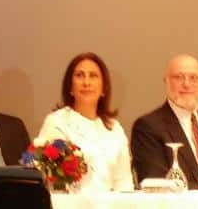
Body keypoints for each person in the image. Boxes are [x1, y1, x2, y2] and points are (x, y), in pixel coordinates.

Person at [131, 54, 198, 189]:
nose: (187, 84)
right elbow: (159, 181)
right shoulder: (148, 127)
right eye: (178, 77)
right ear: (166, 81)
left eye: (194, 78)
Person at [36, 52, 133, 192]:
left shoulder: (115, 129)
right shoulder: (57, 122)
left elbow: (124, 183)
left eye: (93, 76)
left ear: (103, 88)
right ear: (70, 87)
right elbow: (51, 181)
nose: (86, 83)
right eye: (79, 75)